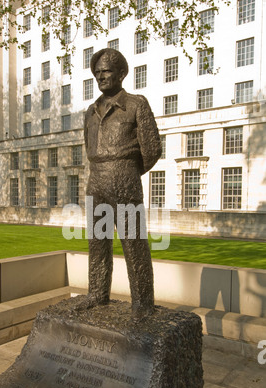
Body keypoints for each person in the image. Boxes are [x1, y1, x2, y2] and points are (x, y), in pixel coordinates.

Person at [83, 48, 162, 316]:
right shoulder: (90, 112)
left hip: (124, 179)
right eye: (97, 72)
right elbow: (89, 147)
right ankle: (97, 293)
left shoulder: (137, 104)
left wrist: (127, 171)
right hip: (96, 180)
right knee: (98, 240)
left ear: (122, 74)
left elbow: (152, 150)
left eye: (106, 71)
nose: (100, 76)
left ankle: (142, 303)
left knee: (133, 242)